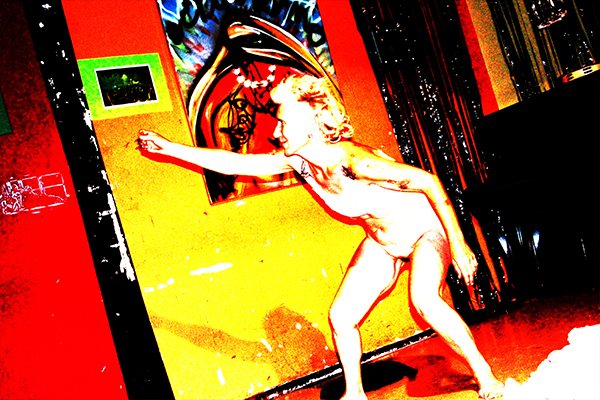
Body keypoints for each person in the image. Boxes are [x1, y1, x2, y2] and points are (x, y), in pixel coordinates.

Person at [137, 74, 504, 399]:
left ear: (310, 126)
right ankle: (354, 393)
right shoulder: (300, 162)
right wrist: (170, 148)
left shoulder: (354, 162)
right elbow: (236, 163)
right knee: (342, 316)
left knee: (423, 300)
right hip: (383, 241)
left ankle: (485, 375)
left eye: (283, 123)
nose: (276, 132)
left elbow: (428, 181)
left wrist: (459, 243)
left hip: (424, 230)